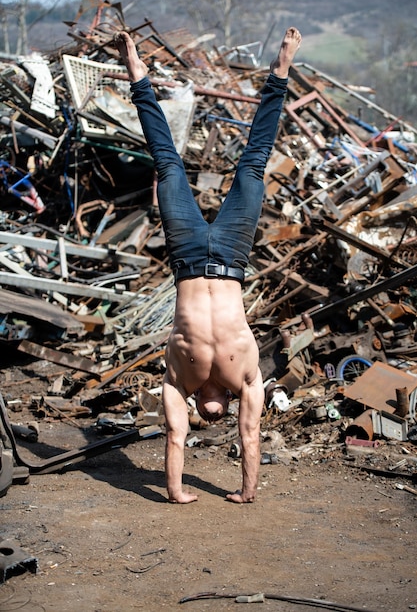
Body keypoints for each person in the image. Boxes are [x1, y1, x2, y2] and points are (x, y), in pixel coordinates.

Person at [114, 27, 302, 504]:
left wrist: (179, 492)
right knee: (249, 166)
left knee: (170, 164)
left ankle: (138, 74)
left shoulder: (184, 379)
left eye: (200, 408)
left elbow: (181, 438)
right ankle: (280, 71)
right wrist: (243, 492)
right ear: (208, 404)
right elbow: (249, 436)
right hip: (228, 257)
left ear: (198, 404)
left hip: (191, 257)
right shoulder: (245, 378)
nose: (205, 406)